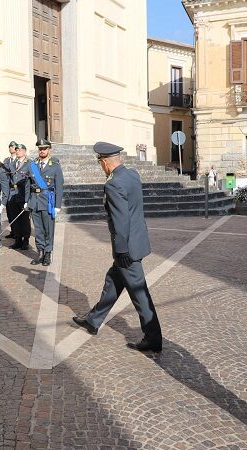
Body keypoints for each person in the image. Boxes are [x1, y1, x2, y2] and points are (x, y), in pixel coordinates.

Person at [72, 142, 163, 353]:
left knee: (140, 294)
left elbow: (121, 220)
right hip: (137, 242)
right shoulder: (132, 175)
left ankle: (153, 338)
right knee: (113, 281)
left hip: (127, 249)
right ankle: (93, 320)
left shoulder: (113, 184)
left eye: (100, 163)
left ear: (104, 162)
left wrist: (121, 250)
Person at [28, 138, 63, 266]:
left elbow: (59, 186)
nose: (42, 151)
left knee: (48, 229)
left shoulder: (54, 166)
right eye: (40, 149)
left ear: (49, 150)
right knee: (38, 230)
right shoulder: (33, 165)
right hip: (35, 201)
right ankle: (40, 252)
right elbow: (28, 184)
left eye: (44, 149)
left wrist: (57, 206)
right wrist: (27, 201)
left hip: (47, 201)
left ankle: (48, 253)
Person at [8, 143, 32, 250]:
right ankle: (17, 239)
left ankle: (26, 240)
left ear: (24, 151)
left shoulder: (30, 163)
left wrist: (28, 199)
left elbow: (30, 182)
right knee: (15, 218)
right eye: (16, 150)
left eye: (20, 150)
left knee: (24, 219)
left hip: (23, 195)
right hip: (13, 194)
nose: (18, 152)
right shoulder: (12, 163)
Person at [3, 141, 18, 239]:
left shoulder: (19, 160)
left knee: (18, 213)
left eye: (13, 146)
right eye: (10, 147)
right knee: (9, 212)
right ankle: (13, 230)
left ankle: (20, 234)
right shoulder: (6, 160)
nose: (11, 148)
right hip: (8, 188)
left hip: (17, 189)